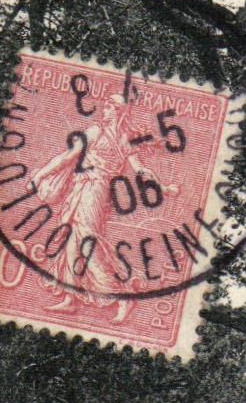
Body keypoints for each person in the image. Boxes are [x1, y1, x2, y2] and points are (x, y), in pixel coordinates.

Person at [28, 91, 176, 322]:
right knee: (71, 239)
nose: (104, 109)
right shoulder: (119, 136)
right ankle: (70, 298)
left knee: (87, 241)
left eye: (108, 106)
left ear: (116, 111)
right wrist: (162, 186)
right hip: (87, 189)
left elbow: (68, 158)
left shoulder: (100, 132)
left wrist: (39, 176)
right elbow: (141, 170)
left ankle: (122, 297)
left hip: (94, 190)